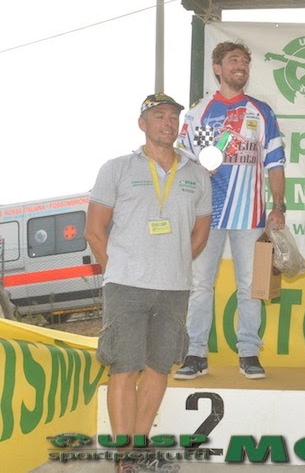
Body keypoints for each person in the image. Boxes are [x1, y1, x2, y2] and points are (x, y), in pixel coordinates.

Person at [85, 93, 211, 472]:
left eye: (173, 116)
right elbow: (94, 231)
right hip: (126, 286)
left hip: (174, 288)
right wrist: (121, 269)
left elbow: (200, 234)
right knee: (123, 369)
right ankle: (123, 458)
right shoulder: (117, 169)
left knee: (158, 368)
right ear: (142, 124)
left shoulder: (196, 174)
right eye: (158, 116)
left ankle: (138, 453)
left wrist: (172, 265)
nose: (167, 123)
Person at [175, 41, 287, 380]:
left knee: (251, 285)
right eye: (233, 60)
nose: (241, 66)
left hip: (249, 214)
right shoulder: (199, 112)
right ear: (217, 68)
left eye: (245, 61)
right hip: (205, 213)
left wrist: (279, 205)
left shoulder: (261, 111)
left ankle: (249, 353)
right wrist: (199, 171)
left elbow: (275, 162)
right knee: (200, 285)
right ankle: (195, 354)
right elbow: (184, 161)